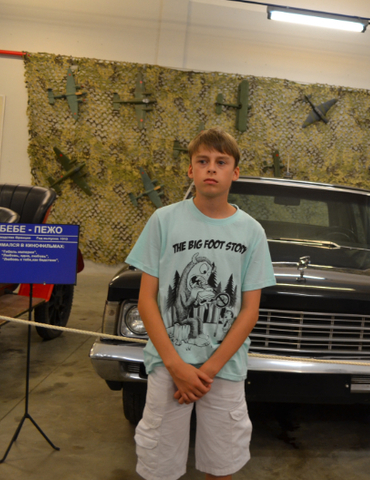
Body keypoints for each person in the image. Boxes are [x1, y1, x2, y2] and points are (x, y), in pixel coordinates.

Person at [126, 128, 276, 480]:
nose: (211, 168)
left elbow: (249, 311)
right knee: (158, 464)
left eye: (221, 162)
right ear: (190, 169)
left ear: (235, 172)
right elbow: (146, 300)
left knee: (222, 463)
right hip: (168, 365)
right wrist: (175, 365)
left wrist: (206, 371)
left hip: (224, 369)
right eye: (203, 161)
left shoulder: (251, 232)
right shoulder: (163, 221)